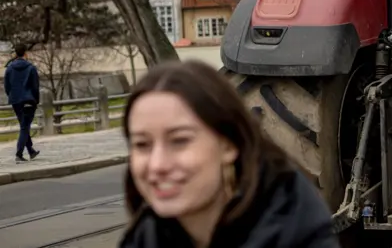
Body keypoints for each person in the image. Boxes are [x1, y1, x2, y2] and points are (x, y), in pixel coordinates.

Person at [118, 60, 340, 248]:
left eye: (179, 141)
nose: (157, 165)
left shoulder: (297, 233)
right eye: (142, 144)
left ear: (229, 145)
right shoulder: (142, 238)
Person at [3, 45, 40, 163]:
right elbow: (35, 86)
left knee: (24, 125)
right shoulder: (31, 68)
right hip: (29, 100)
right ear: (25, 54)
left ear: (15, 54)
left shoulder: (9, 68)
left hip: (15, 100)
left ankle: (31, 151)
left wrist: (12, 96)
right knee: (25, 127)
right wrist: (36, 100)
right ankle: (19, 154)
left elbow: (7, 86)